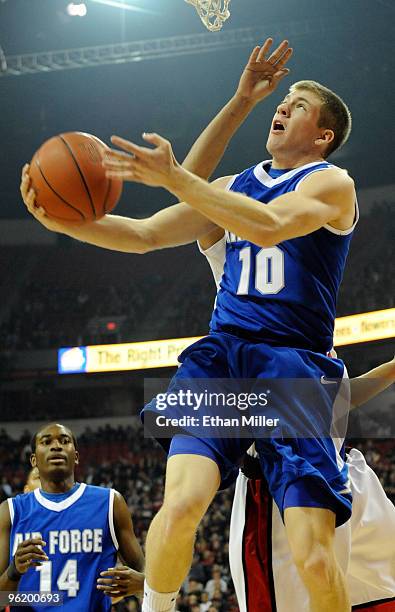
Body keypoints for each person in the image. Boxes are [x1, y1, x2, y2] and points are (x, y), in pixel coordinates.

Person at [21, 38, 359, 611]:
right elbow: (145, 233)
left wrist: (177, 175)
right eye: (285, 101)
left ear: (322, 135)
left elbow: (272, 226)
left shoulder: (332, 183)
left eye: (298, 105)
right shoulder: (230, 186)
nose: (284, 106)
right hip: (222, 357)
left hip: (294, 369)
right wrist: (60, 219)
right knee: (178, 505)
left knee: (314, 554)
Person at [197, 229, 395, 611]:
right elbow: (205, 225)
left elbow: (335, 402)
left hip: (342, 471)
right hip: (281, 482)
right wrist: (180, 176)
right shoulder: (243, 279)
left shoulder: (315, 302)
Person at [0, 423, 145, 610]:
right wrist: (13, 572)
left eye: (64, 441)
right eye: (46, 442)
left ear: (76, 457)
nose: (56, 446)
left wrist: (141, 583)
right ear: (34, 461)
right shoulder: (10, 511)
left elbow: (142, 572)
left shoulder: (110, 502)